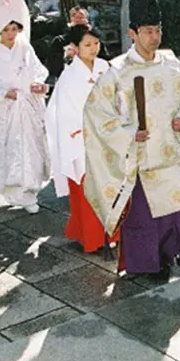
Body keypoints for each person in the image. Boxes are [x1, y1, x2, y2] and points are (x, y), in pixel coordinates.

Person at [84, 0, 180, 279]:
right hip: (142, 159)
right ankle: (149, 263)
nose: (154, 37)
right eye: (147, 31)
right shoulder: (116, 72)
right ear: (132, 33)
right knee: (144, 216)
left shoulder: (175, 68)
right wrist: (129, 133)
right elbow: (96, 115)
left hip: (173, 152)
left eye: (157, 30)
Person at [0, 0, 50, 215]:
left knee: (31, 148)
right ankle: (13, 191)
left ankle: (30, 193)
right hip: (6, 109)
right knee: (10, 150)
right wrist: (2, 94)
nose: (11, 33)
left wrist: (37, 84)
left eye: (14, 28)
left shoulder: (25, 47)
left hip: (27, 105)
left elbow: (39, 70)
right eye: (6, 29)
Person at [46, 24, 117, 253]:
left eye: (96, 43)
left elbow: (119, 99)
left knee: (110, 187)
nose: (94, 48)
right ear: (75, 47)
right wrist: (84, 129)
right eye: (87, 45)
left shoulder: (106, 68)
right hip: (81, 139)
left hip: (107, 136)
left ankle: (111, 233)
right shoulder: (69, 76)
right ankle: (91, 237)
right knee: (86, 191)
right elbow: (64, 112)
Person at [47, 5, 90, 83]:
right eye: (74, 15)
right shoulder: (60, 41)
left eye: (81, 16)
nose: (77, 18)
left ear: (86, 20)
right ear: (70, 19)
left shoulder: (94, 41)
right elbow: (52, 66)